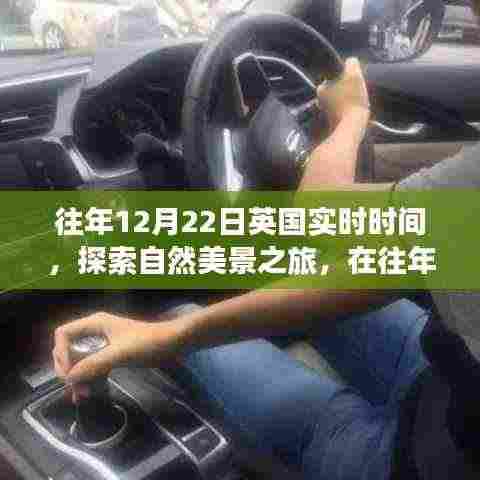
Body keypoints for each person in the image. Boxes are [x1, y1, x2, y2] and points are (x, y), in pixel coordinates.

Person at [53, 1, 480, 478]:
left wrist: (352, 115)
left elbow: (323, 213)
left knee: (180, 314)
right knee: (293, 263)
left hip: (420, 460)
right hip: (444, 367)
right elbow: (379, 262)